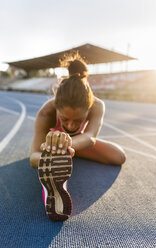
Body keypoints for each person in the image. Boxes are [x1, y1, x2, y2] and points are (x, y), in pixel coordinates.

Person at [30, 55, 126, 221]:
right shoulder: (46, 112)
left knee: (119, 155)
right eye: (65, 119)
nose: (71, 125)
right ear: (56, 107)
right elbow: (33, 157)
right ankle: (53, 177)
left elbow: (90, 137)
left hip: (77, 144)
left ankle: (62, 157)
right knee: (47, 160)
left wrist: (67, 145)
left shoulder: (97, 105)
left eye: (78, 120)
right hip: (50, 148)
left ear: (88, 109)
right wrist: (52, 154)